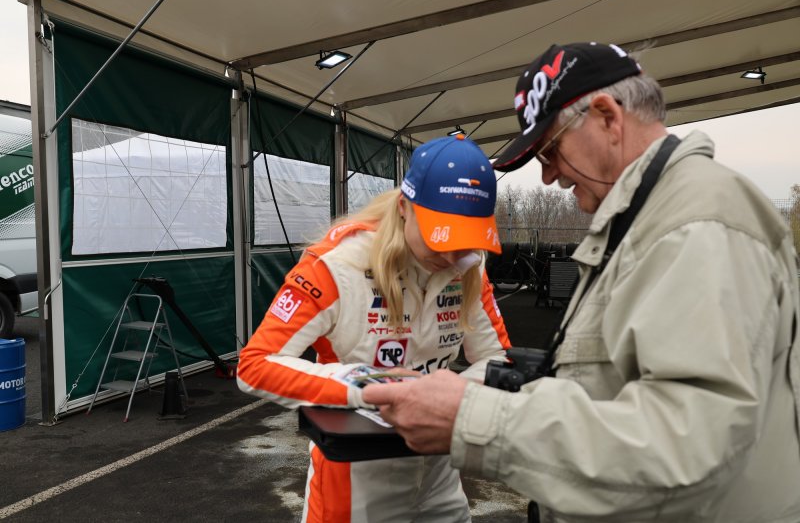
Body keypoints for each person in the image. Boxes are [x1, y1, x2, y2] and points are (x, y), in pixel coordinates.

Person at [364, 42, 800, 522]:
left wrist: (470, 419)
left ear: (608, 118)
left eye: (550, 150)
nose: (548, 177)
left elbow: (687, 447)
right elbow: (615, 386)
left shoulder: (697, 226)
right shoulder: (646, 221)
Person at [237, 133, 511, 523]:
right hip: (355, 481)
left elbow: (497, 359)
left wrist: (447, 397)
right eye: (440, 235)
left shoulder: (470, 264)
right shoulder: (335, 264)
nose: (453, 255)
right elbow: (255, 365)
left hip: (439, 471)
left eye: (465, 239)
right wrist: (369, 386)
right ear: (404, 207)